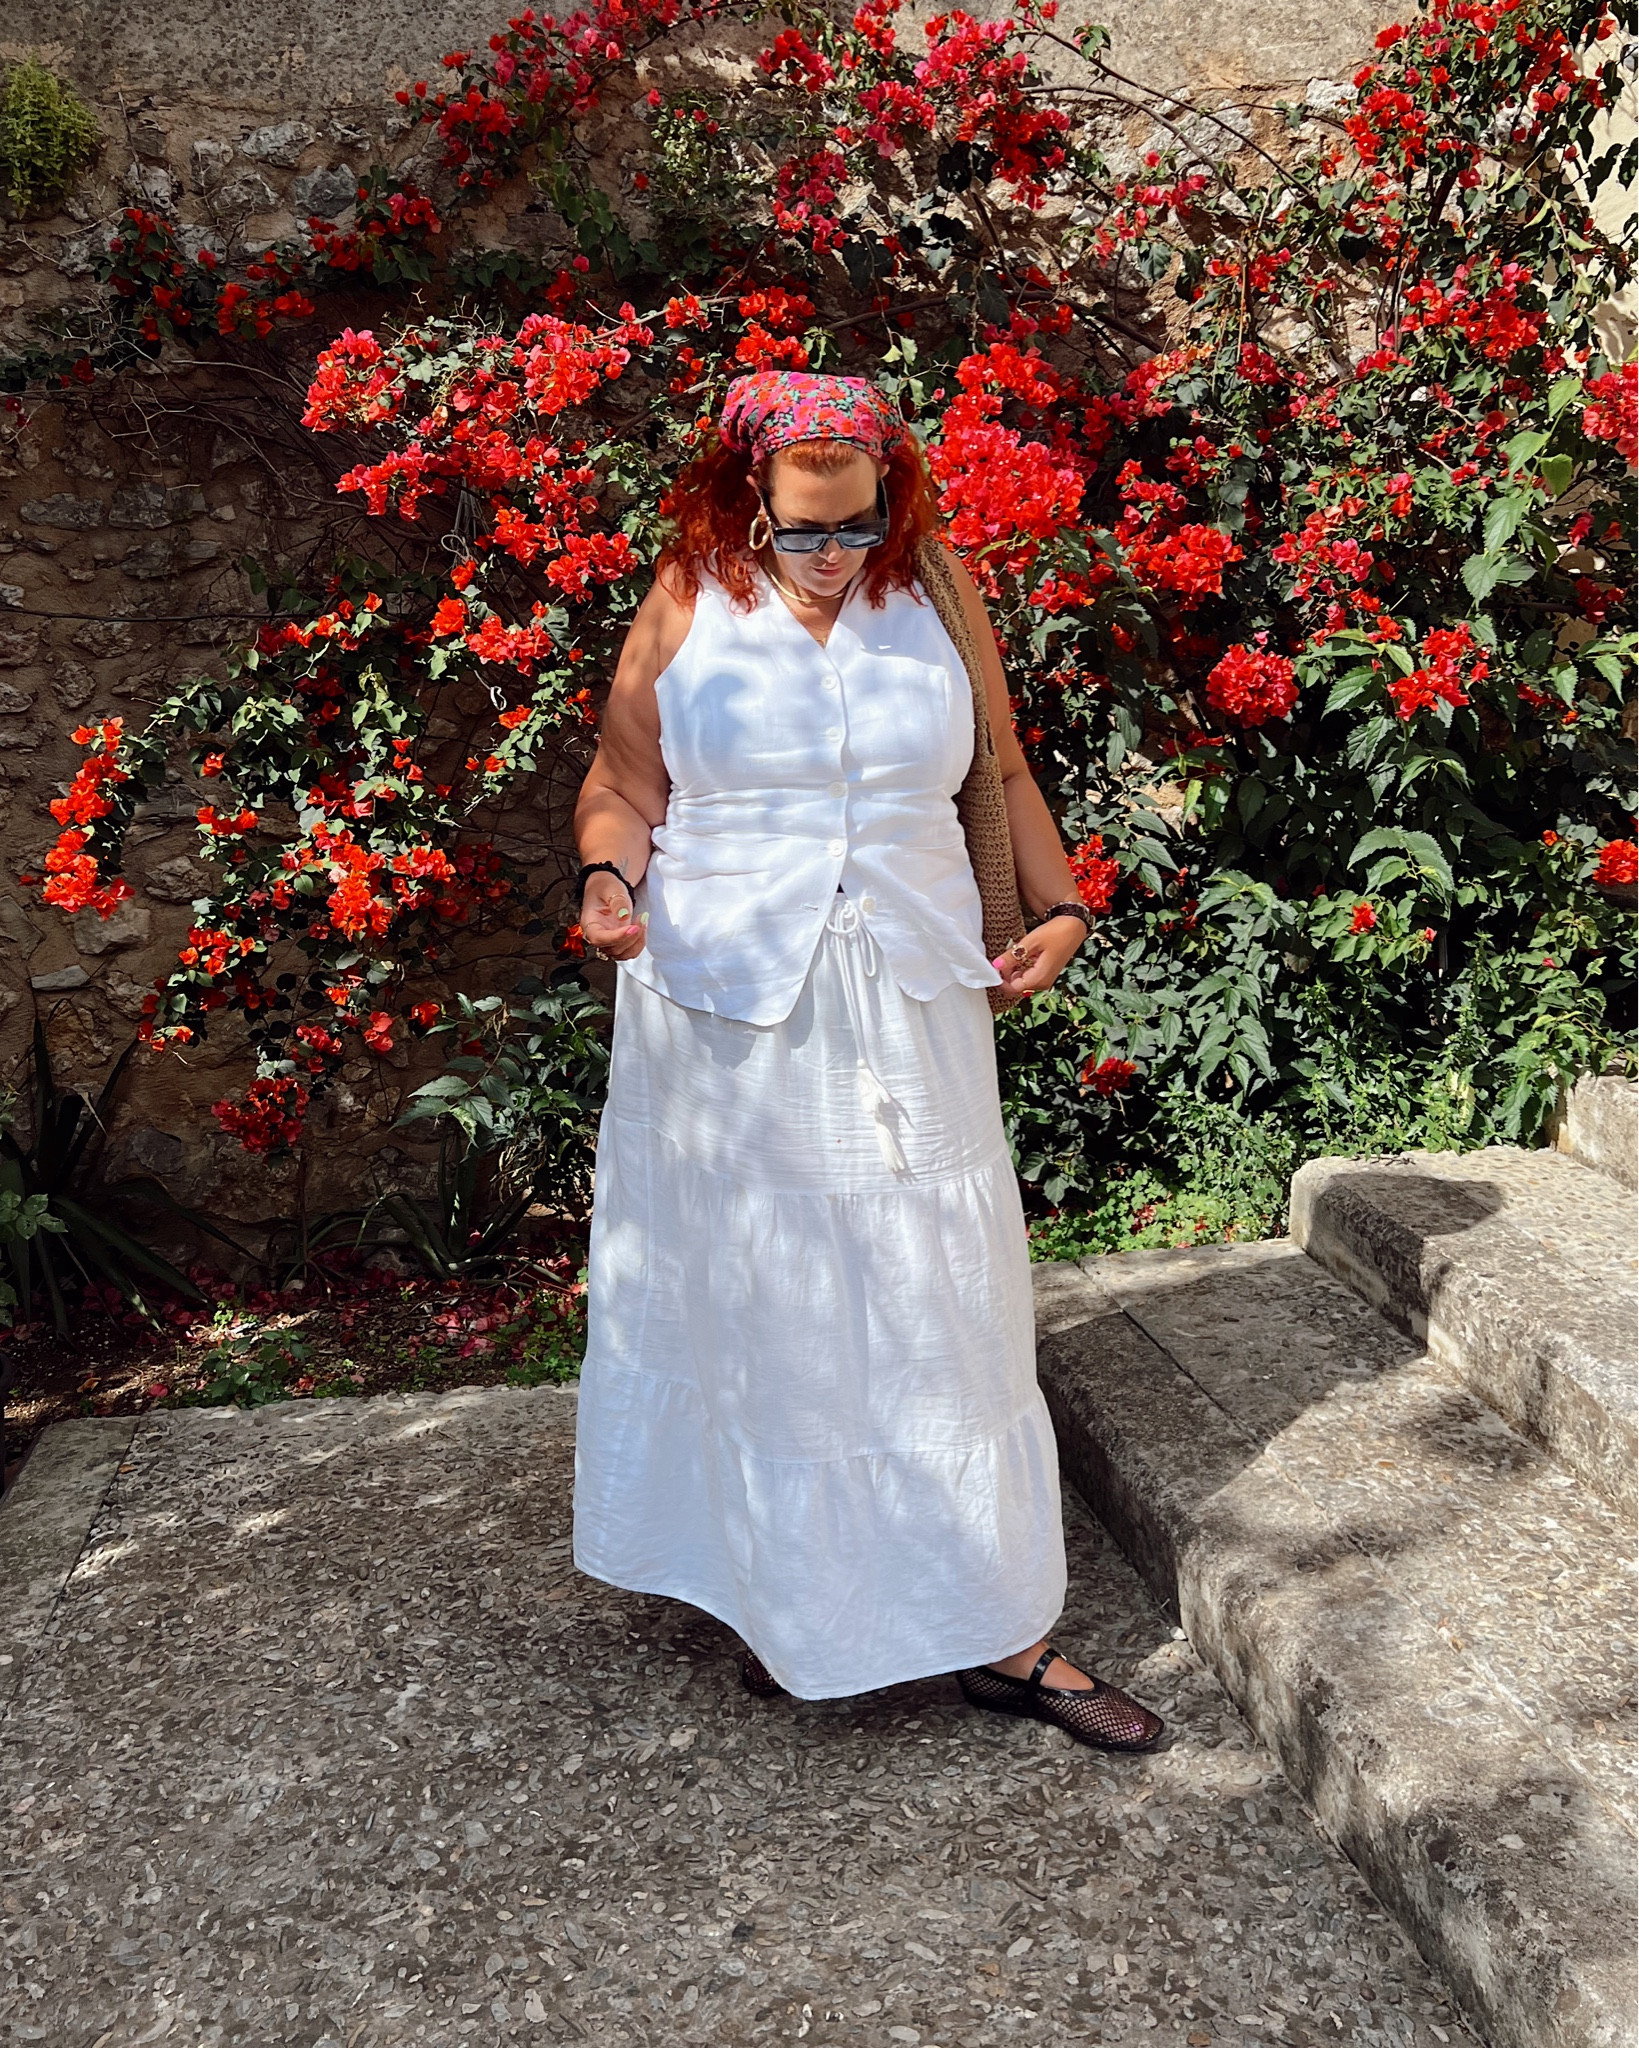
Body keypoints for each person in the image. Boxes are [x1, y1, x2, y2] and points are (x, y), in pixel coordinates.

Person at [569, 369, 1166, 1752]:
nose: (830, 559)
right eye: (801, 532)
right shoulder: (688, 600)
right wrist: (611, 879)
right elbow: (623, 780)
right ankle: (794, 1608)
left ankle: (1003, 1632)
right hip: (726, 1009)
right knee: (768, 1308)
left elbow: (1005, 773)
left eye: (853, 527)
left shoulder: (938, 599)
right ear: (744, 503)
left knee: (941, 1304)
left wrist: (1065, 907)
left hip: (907, 992)